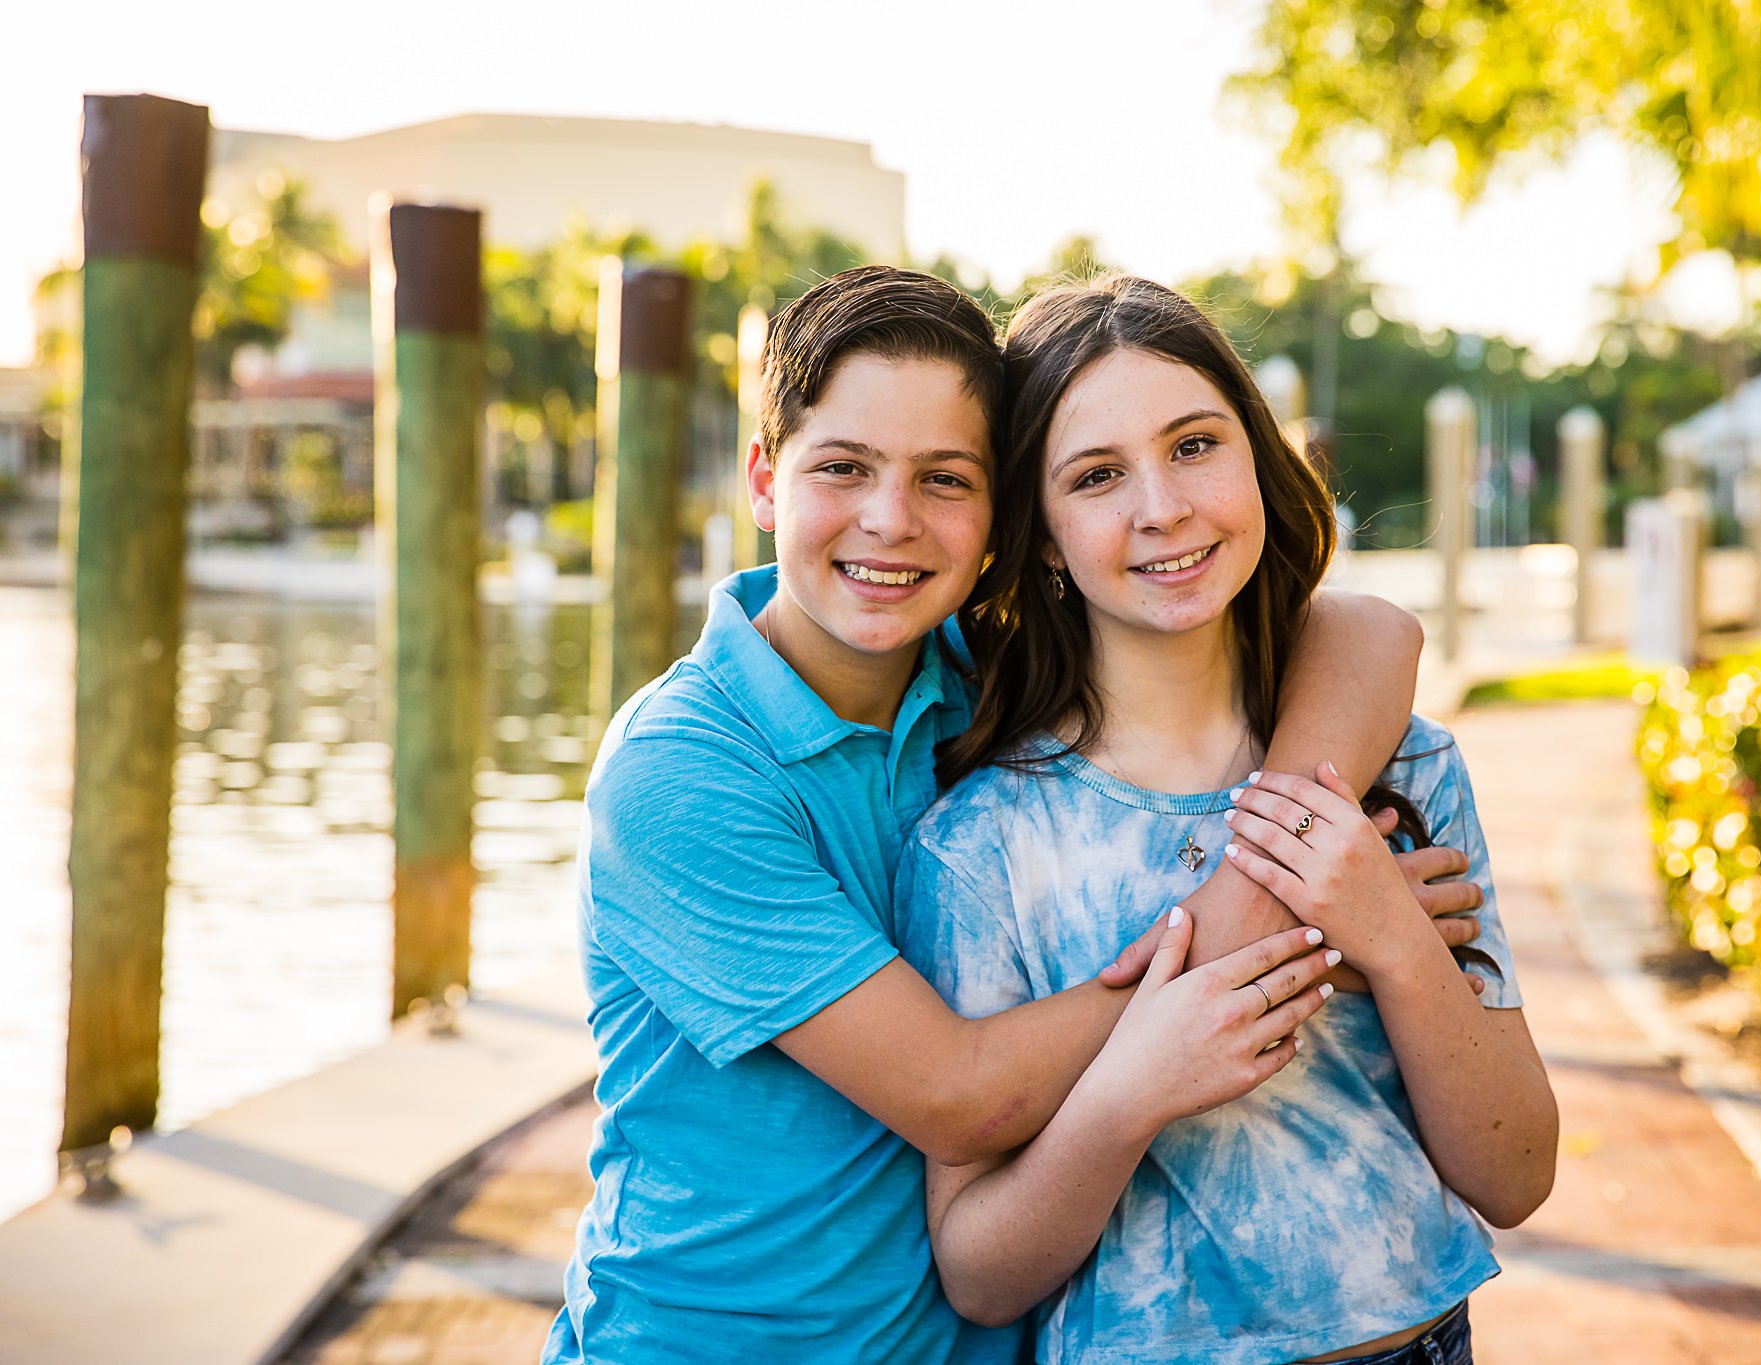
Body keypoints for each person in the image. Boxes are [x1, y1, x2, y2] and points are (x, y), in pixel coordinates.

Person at [544, 266, 1485, 1363]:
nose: (889, 522)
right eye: (841, 468)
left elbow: (1367, 634)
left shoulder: (972, 679)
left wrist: (1307, 871)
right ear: (764, 480)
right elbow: (959, 1098)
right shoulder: (680, 775)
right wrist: (1300, 929)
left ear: (1001, 515)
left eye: (944, 479)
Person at [897, 276, 1559, 1364]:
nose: (1160, 506)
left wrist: (1387, 937)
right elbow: (977, 1272)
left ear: (1257, 458)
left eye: (1194, 445)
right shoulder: (981, 847)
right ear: (1045, 537)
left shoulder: (1404, 768)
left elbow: (1515, 1173)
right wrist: (1127, 1095)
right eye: (1097, 476)